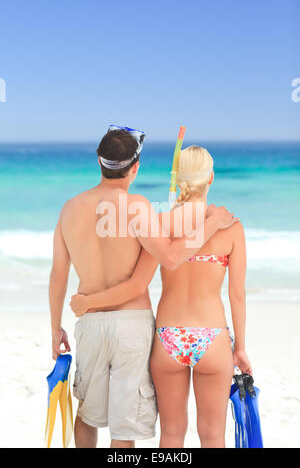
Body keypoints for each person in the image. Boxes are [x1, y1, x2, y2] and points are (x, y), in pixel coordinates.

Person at [49, 127, 237, 449]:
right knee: (124, 426)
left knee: (87, 414)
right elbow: (173, 257)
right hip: (131, 325)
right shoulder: (137, 207)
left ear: (99, 161)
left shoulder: (69, 208)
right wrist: (212, 224)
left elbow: (57, 276)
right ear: (135, 168)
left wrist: (56, 328)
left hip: (89, 325)